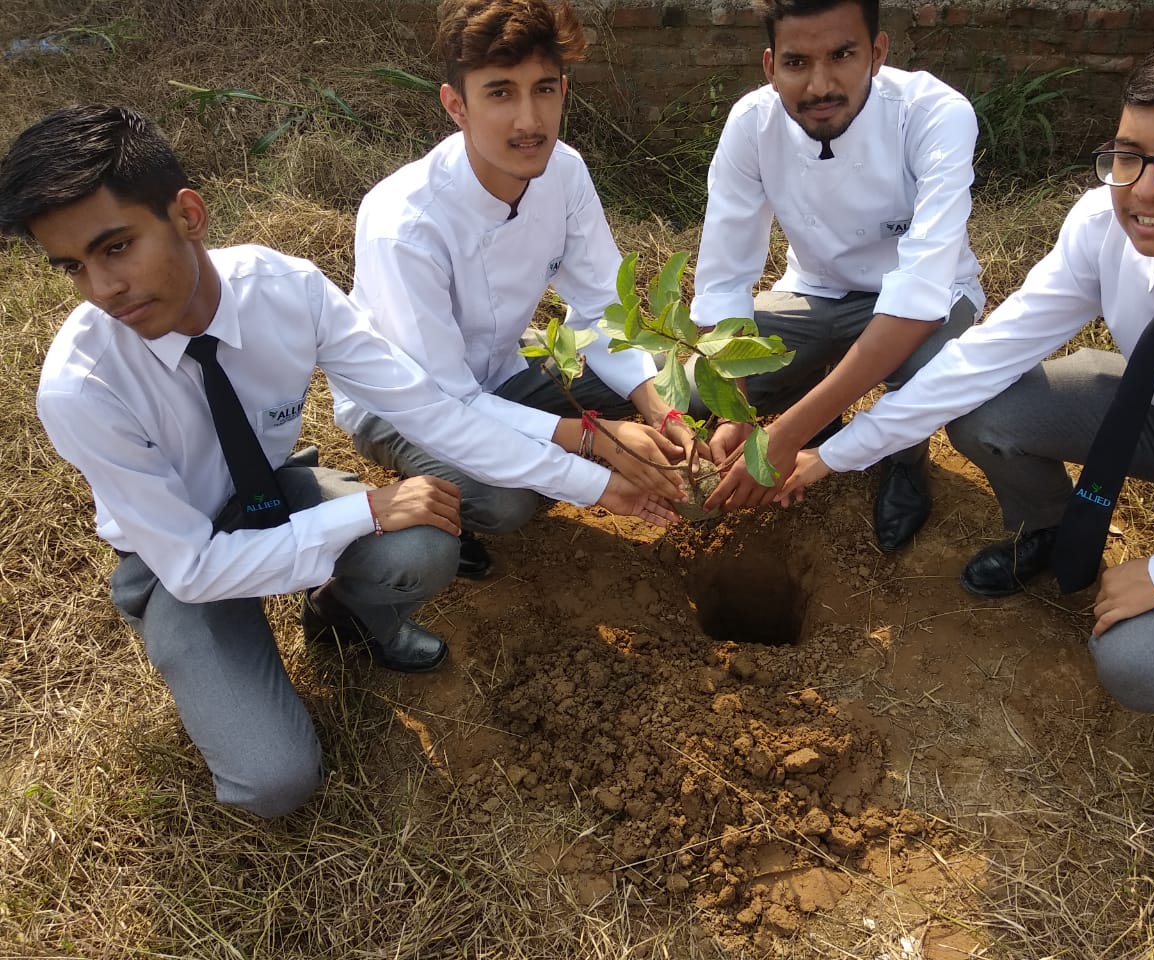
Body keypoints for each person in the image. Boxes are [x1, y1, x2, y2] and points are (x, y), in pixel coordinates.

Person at [2, 105, 675, 817]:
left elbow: (432, 411)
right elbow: (194, 567)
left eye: (116, 247)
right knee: (274, 783)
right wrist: (364, 509)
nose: (103, 288)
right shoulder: (84, 386)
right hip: (178, 561)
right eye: (74, 267)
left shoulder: (285, 291)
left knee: (422, 543)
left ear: (188, 215)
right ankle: (218, 663)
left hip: (274, 494)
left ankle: (342, 617)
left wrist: (594, 482)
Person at [780, 23, 1154, 715]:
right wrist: (830, 456)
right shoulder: (1103, 229)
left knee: (1141, 668)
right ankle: (1049, 529)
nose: (1145, 192)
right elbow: (986, 355)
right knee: (987, 410)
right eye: (1129, 156)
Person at [333, 0, 697, 579]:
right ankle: (438, 491)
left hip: (506, 366)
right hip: (408, 404)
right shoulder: (406, 225)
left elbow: (603, 305)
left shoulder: (565, 173)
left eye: (543, 90)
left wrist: (657, 406)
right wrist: (591, 442)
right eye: (500, 93)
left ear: (564, 91)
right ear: (457, 105)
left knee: (676, 398)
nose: (529, 121)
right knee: (507, 501)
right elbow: (446, 402)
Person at [690, 0, 983, 551]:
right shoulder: (753, 124)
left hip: (935, 300)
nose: (820, 85)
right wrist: (738, 409)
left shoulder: (933, 113)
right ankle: (820, 407)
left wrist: (785, 433)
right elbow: (724, 278)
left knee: (926, 364)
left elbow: (918, 294)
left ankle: (904, 457)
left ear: (876, 53)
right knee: (704, 385)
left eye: (842, 56)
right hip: (815, 290)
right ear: (770, 66)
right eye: (797, 63)